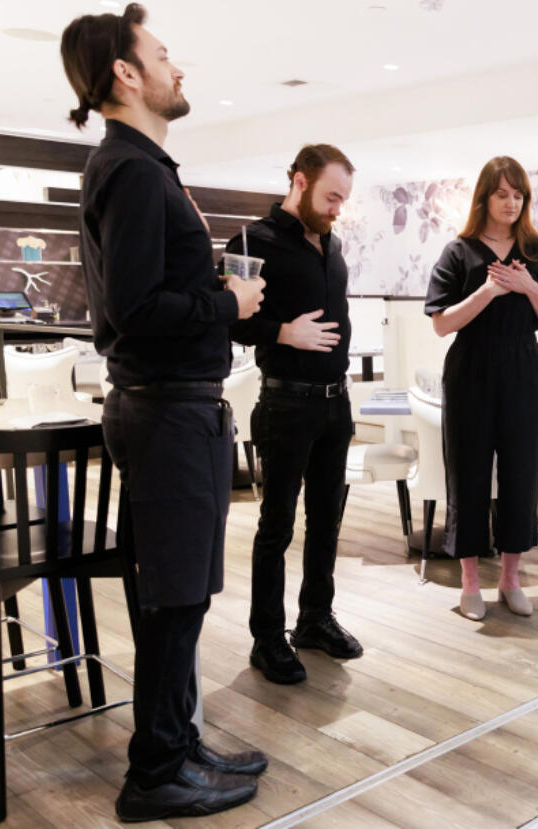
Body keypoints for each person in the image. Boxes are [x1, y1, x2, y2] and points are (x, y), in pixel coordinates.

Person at [61, 4, 267, 821]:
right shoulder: (136, 172)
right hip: (168, 410)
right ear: (126, 73)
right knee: (175, 599)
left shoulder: (136, 167)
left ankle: (178, 741)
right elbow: (137, 307)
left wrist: (217, 296)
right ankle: (153, 773)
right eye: (163, 53)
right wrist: (227, 298)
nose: (177, 67)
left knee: (182, 593)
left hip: (177, 411)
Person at [228, 145, 361, 686]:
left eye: (344, 200)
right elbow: (228, 321)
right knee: (276, 526)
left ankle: (314, 619)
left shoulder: (329, 243)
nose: (337, 210)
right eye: (331, 197)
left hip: (335, 403)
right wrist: (282, 332)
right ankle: (267, 638)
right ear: (300, 183)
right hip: (286, 404)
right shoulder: (249, 242)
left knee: (326, 520)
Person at [424, 156, 538, 621]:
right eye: (502, 194)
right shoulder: (458, 252)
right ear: (485, 197)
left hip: (524, 368)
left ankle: (510, 579)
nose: (511, 203)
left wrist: (528, 286)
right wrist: (488, 290)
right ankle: (470, 583)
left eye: (518, 194)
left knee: (521, 475)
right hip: (470, 367)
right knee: (466, 473)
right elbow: (442, 325)